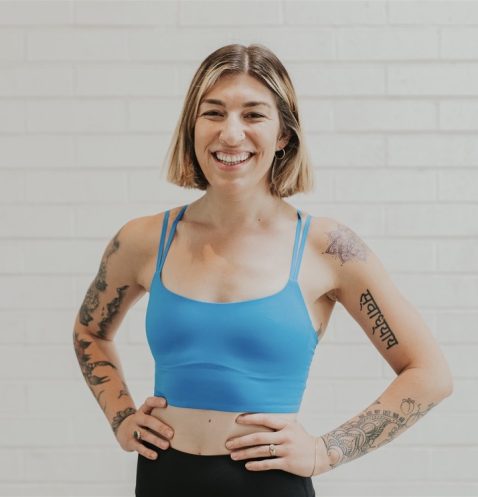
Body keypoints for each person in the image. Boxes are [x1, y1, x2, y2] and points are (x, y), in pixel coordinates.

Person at [73, 43, 453, 497]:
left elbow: (429, 374)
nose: (231, 134)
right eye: (213, 113)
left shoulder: (327, 248)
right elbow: (89, 332)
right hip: (162, 481)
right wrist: (121, 417)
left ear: (284, 135)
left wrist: (325, 451)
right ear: (192, 128)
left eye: (253, 115)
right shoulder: (143, 239)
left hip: (270, 487)